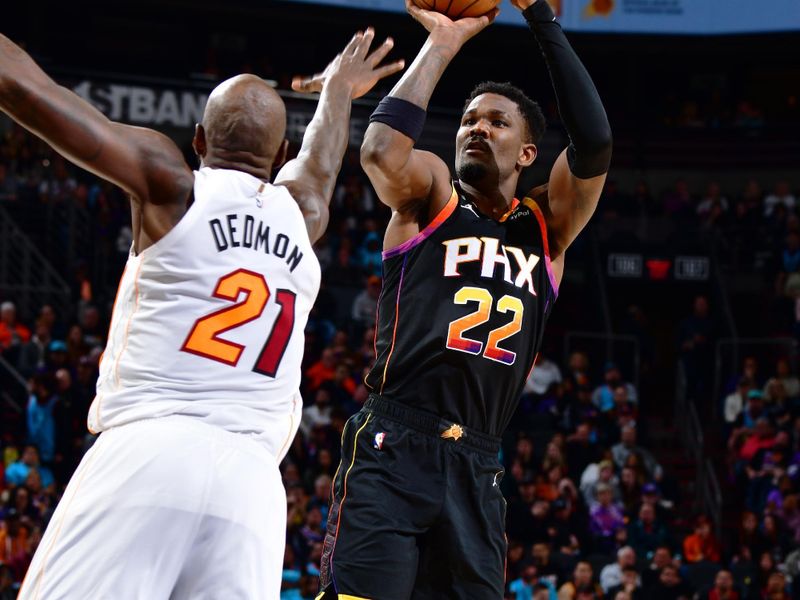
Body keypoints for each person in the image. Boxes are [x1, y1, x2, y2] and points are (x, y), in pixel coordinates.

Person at [0, 28, 403, 599]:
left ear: (196, 140)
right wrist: (338, 88)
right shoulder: (303, 212)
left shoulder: (171, 185)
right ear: (279, 157)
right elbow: (322, 156)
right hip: (254, 490)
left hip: (152, 450)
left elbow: (29, 90)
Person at [319, 0, 612, 595]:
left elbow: (595, 141)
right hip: (393, 442)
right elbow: (378, 152)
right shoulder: (432, 193)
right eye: (469, 120)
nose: (477, 127)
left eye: (497, 122)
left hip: (478, 463)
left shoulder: (548, 228)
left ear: (528, 154)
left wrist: (541, 19)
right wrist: (444, 43)